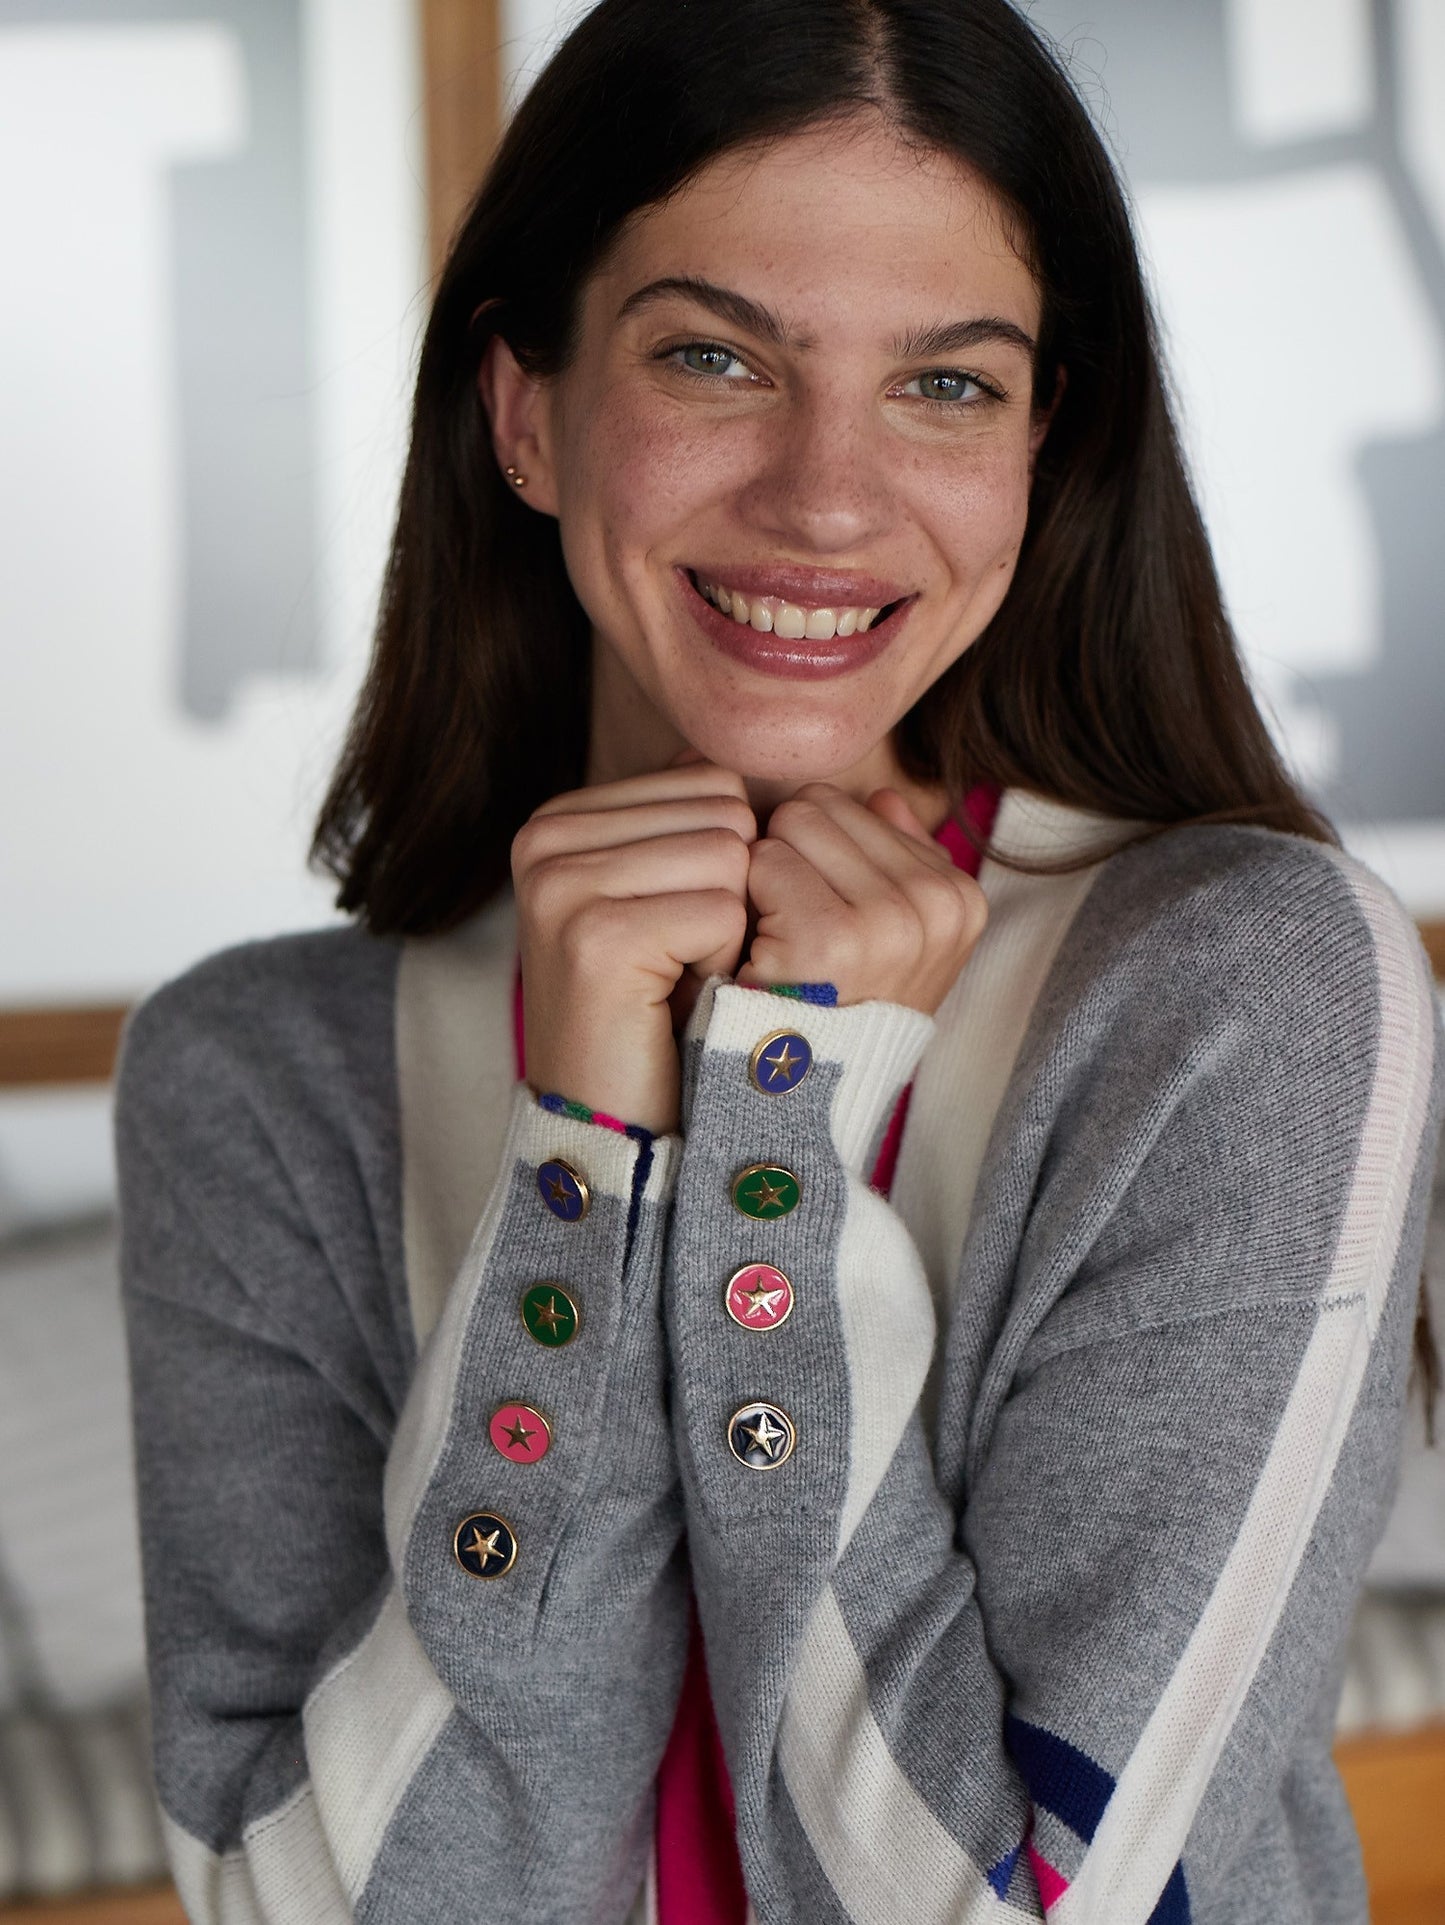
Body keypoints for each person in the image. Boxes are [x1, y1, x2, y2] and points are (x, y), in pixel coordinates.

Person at [116, 1, 1442, 1920]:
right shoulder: (257, 1079)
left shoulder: (1239, 998)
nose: (827, 495)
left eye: (947, 385)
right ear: (527, 412)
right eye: (716, 357)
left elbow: (1013, 1907)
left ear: (1038, 447)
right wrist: (583, 1161)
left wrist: (771, 1140)